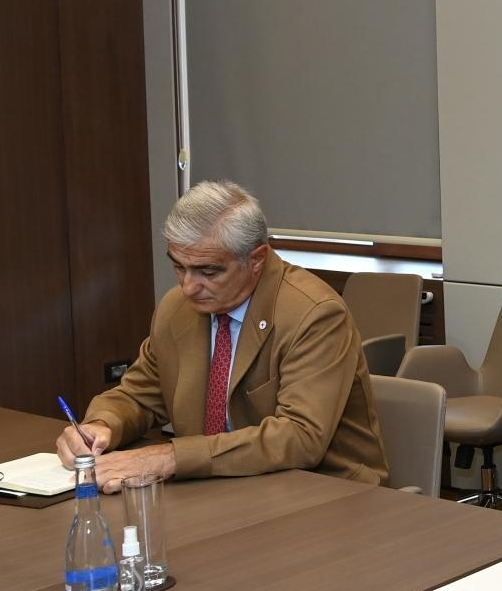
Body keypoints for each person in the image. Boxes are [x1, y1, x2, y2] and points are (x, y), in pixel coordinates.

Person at [53, 180, 388, 491]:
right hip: (223, 487)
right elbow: (140, 396)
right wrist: (103, 425)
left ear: (256, 259)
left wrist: (171, 457)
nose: (188, 287)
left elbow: (300, 437)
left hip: (325, 491)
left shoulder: (314, 314)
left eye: (208, 271)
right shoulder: (177, 309)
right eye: (179, 267)